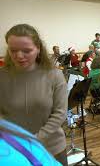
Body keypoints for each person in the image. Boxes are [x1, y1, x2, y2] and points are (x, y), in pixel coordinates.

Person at [0, 24, 67, 165]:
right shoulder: (2, 76)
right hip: (15, 152)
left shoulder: (54, 75)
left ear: (38, 49)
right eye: (13, 50)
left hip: (52, 149)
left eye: (26, 51)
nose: (19, 56)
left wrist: (33, 141)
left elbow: (60, 113)